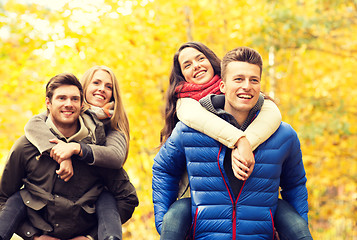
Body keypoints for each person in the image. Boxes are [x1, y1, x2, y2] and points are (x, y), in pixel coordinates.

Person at [152, 46, 311, 239]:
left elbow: (295, 185)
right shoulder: (189, 129)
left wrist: (297, 228)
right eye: (238, 79)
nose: (247, 86)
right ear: (223, 86)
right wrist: (164, 222)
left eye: (254, 80)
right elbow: (163, 169)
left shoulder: (284, 135)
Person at [0, 73, 138, 240]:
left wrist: (89, 237)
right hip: (41, 232)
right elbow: (3, 198)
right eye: (61, 98)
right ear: (48, 103)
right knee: (16, 199)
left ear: (82, 105)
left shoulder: (97, 149)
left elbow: (127, 198)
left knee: (106, 198)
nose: (68, 104)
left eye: (74, 99)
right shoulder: (25, 147)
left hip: (84, 230)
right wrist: (34, 236)